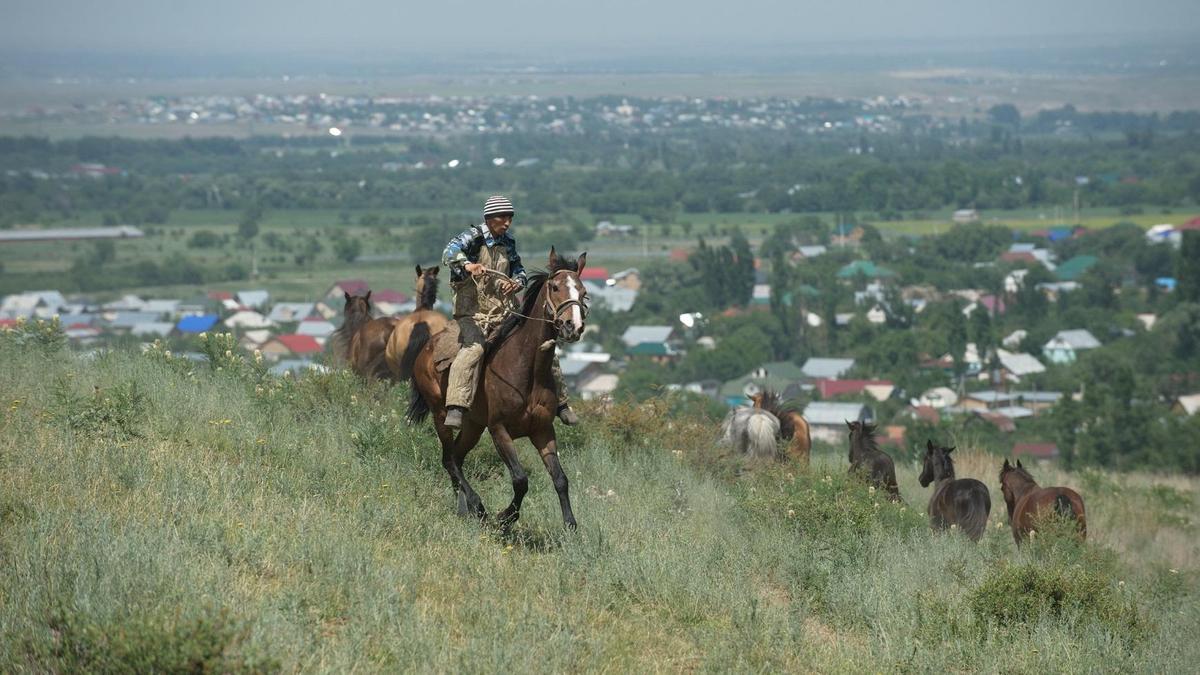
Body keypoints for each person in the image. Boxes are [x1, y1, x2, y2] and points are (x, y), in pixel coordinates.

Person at [441, 195, 579, 429]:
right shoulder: (472, 237)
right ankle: (456, 406)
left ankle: (562, 404)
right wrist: (469, 265)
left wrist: (516, 282)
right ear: (489, 217)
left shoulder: (508, 242)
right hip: (472, 311)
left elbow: (520, 270)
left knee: (543, 346)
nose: (507, 222)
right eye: (502, 217)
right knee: (473, 350)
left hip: (504, 309)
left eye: (510, 218)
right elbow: (449, 252)